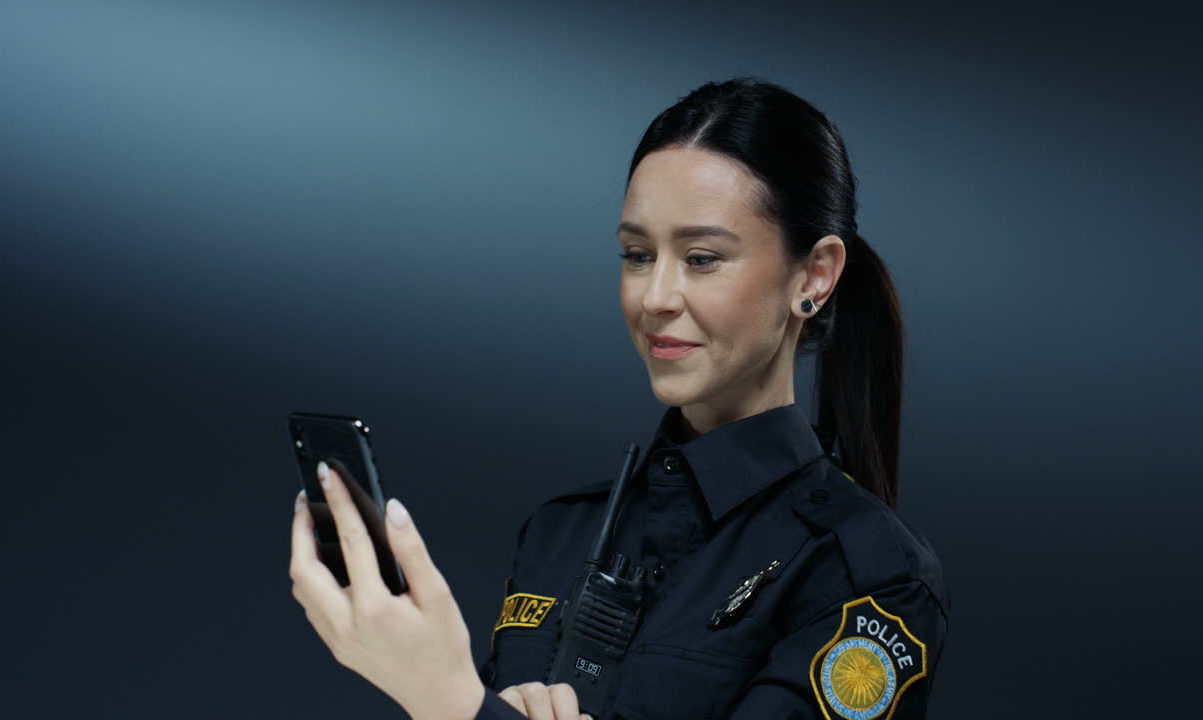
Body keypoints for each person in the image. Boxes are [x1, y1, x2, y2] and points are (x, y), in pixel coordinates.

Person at [289, 76, 949, 720]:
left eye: (701, 258)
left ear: (815, 274)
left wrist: (450, 702)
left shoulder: (866, 573)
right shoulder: (558, 533)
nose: (654, 297)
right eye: (637, 254)